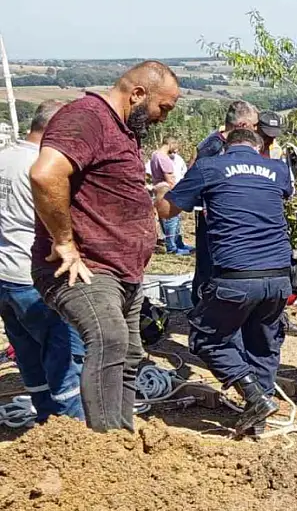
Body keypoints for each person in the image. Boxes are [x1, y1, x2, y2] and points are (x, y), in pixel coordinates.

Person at [30, 60, 181, 432]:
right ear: (138, 94)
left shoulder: (124, 129)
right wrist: (64, 242)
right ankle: (104, 447)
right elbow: (44, 174)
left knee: (129, 355)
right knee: (108, 339)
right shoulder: (87, 117)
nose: (163, 118)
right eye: (164, 107)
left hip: (125, 271)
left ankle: (121, 441)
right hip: (89, 268)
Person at [154, 128, 293, 435]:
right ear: (258, 147)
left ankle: (254, 397)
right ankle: (259, 417)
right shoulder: (278, 170)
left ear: (225, 147)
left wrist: (162, 189)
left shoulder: (209, 167)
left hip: (236, 276)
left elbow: (166, 211)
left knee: (207, 339)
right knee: (264, 343)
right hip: (279, 276)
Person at [0, 100, 85, 423]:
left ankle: (45, 423)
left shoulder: (4, 157)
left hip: (5, 274)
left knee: (28, 355)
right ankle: (70, 433)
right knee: (64, 358)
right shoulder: (45, 167)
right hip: (36, 279)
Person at [192, 101, 259, 305]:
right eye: (254, 126)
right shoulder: (213, 147)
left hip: (234, 220)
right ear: (243, 126)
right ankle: (204, 313)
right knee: (209, 269)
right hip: (215, 221)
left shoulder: (219, 144)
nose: (257, 130)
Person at [252, 110, 297, 337]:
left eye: (274, 136)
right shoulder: (245, 151)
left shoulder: (276, 153)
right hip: (249, 220)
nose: (270, 140)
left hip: (271, 218)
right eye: (266, 135)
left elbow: (286, 190)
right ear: (255, 129)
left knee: (279, 272)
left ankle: (278, 317)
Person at [149, 139, 194, 255]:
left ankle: (179, 243)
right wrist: (178, 193)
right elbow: (170, 179)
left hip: (159, 188)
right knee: (172, 219)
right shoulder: (164, 158)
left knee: (171, 219)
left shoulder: (155, 154)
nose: (176, 150)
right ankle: (172, 247)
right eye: (176, 146)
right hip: (167, 190)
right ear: (171, 144)